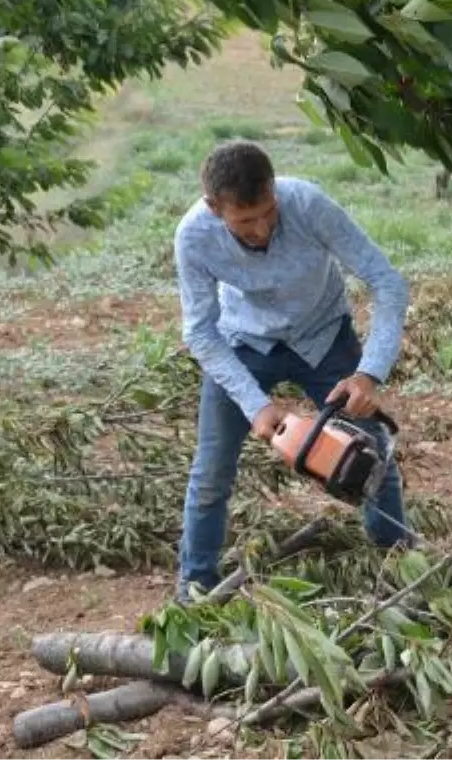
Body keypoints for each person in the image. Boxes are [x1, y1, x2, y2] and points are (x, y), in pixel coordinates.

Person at [172, 139, 412, 603]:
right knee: (211, 471)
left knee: (372, 451)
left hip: (324, 336)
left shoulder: (308, 204)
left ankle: (398, 561)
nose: (261, 228)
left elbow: (388, 282)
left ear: (274, 189)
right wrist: (254, 404)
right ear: (214, 208)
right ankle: (195, 587)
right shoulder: (194, 236)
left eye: (267, 211)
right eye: (245, 221)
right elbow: (201, 332)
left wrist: (369, 374)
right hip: (243, 343)